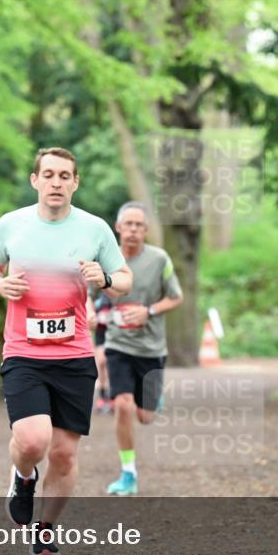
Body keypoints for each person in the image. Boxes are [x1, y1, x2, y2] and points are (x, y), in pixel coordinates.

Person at [0, 147, 132, 555]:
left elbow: (124, 280)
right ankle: (22, 477)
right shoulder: (12, 224)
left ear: (75, 183)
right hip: (24, 352)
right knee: (32, 441)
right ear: (35, 181)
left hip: (74, 355)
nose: (56, 182)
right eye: (48, 175)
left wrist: (103, 277)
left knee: (64, 453)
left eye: (65, 176)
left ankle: (45, 528)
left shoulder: (95, 229)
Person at [98, 202, 182, 496]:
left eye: (139, 225)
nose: (133, 230)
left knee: (145, 417)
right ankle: (128, 473)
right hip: (118, 344)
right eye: (128, 224)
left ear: (146, 230)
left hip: (151, 348)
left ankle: (151, 402)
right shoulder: (106, 259)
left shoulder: (159, 259)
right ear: (118, 227)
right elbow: (86, 294)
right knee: (122, 405)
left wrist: (148, 311)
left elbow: (175, 297)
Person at [89, 293, 114, 414]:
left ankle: (112, 396)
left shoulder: (116, 298)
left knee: (111, 366)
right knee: (102, 363)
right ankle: (103, 397)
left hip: (115, 338)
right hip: (100, 337)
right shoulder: (97, 301)